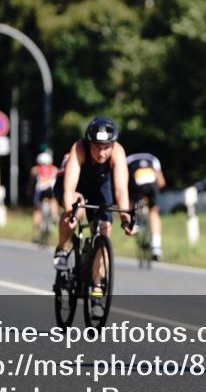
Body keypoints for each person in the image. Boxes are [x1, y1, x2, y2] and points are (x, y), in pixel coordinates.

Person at [53, 117, 134, 297]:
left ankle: (97, 281)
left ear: (113, 145)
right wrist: (71, 215)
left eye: (106, 147)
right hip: (73, 184)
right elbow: (69, 190)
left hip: (99, 185)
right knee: (77, 206)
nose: (102, 152)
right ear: (89, 143)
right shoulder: (79, 149)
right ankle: (62, 249)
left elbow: (121, 190)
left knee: (105, 228)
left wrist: (125, 218)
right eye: (97, 146)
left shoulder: (118, 152)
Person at [126, 152, 167, 260]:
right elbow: (161, 182)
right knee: (154, 212)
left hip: (136, 185)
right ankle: (156, 246)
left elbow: (124, 180)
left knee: (133, 204)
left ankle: (136, 223)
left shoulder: (128, 159)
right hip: (152, 185)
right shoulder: (153, 158)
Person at [30, 149, 59, 240]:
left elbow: (31, 182)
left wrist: (29, 189)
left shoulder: (35, 169)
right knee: (53, 200)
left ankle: (37, 232)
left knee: (36, 210)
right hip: (51, 189)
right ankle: (54, 215)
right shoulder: (54, 169)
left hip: (40, 190)